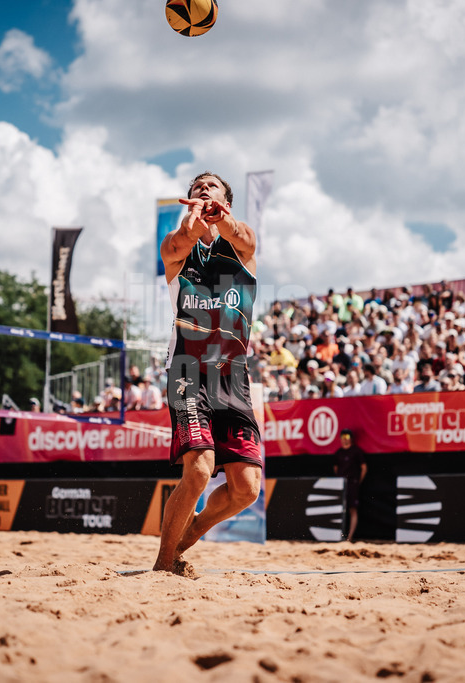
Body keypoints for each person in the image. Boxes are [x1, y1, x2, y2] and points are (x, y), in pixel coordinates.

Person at [153, 171, 261, 573]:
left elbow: (246, 238)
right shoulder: (176, 248)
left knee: (246, 490)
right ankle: (164, 564)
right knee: (198, 470)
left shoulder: (243, 248)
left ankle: (190, 533)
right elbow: (178, 242)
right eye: (197, 187)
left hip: (233, 376)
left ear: (227, 200)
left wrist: (222, 220)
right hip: (187, 369)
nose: (203, 189)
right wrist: (194, 223)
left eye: (211, 185)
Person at [332, 429, 367, 543]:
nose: (344, 438)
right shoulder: (339, 453)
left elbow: (364, 468)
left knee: (352, 510)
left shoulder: (356, 451)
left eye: (347, 436)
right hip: (341, 485)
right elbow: (336, 468)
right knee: (339, 510)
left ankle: (349, 537)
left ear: (351, 438)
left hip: (352, 484)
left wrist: (357, 482)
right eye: (343, 436)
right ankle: (339, 536)